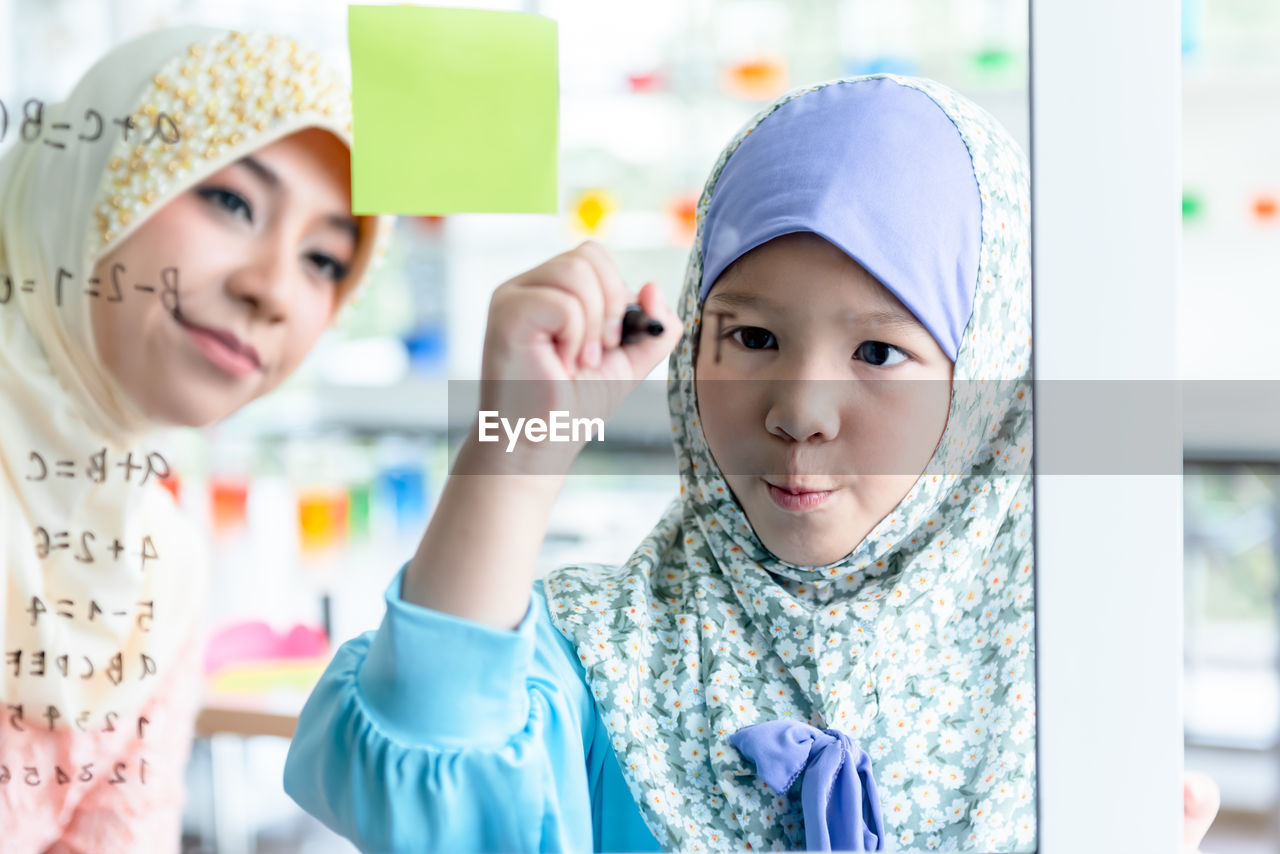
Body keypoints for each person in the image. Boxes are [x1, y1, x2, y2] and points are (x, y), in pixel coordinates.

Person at [285, 74, 1030, 852]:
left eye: (878, 352)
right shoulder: (597, 666)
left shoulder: (1065, 679)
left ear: (986, 379)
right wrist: (518, 444)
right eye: (752, 338)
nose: (800, 414)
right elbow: (424, 778)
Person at [0, 26, 387, 853]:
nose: (274, 289)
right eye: (231, 201)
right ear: (94, 177)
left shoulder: (155, 570)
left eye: (324, 260)